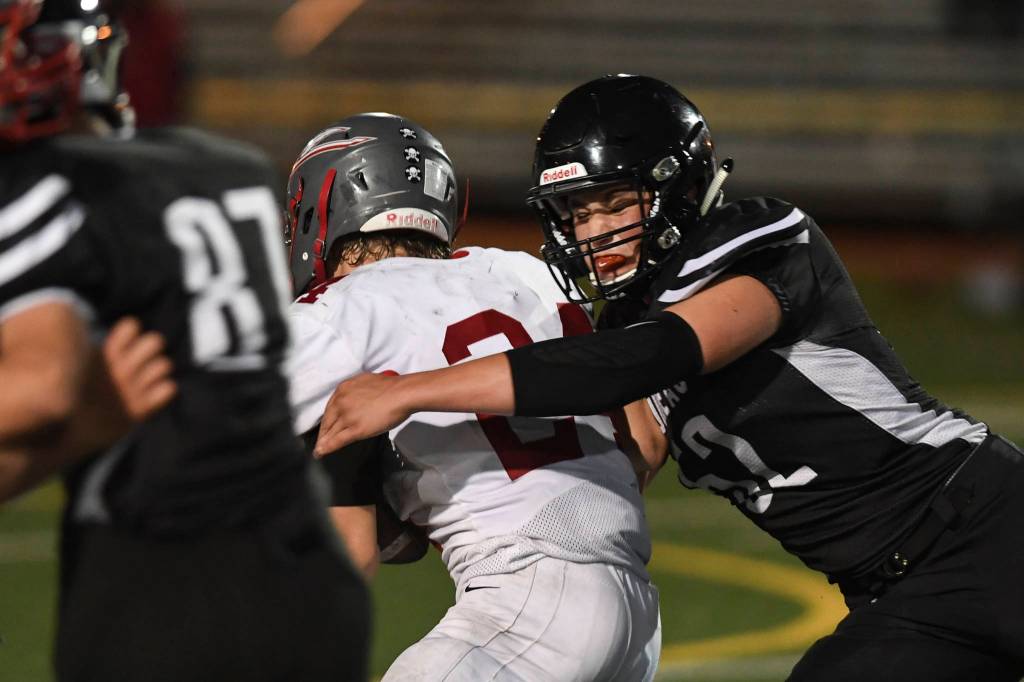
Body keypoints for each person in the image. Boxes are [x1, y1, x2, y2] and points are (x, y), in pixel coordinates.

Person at [315, 75, 1024, 682]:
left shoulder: (764, 243)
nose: (594, 232)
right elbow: (631, 454)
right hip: (898, 598)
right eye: (577, 213)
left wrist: (408, 390)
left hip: (986, 527)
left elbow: (652, 357)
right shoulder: (629, 317)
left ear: (675, 187)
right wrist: (425, 496)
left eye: (615, 203)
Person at [0, 1, 369, 680]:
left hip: (153, 578)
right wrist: (83, 428)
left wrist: (82, 421)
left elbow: (41, 388)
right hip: (304, 575)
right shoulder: (227, 165)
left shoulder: (51, 186)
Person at [285, 113, 661, 681]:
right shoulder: (528, 275)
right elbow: (647, 442)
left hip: (526, 597)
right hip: (635, 605)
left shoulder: (337, 313)